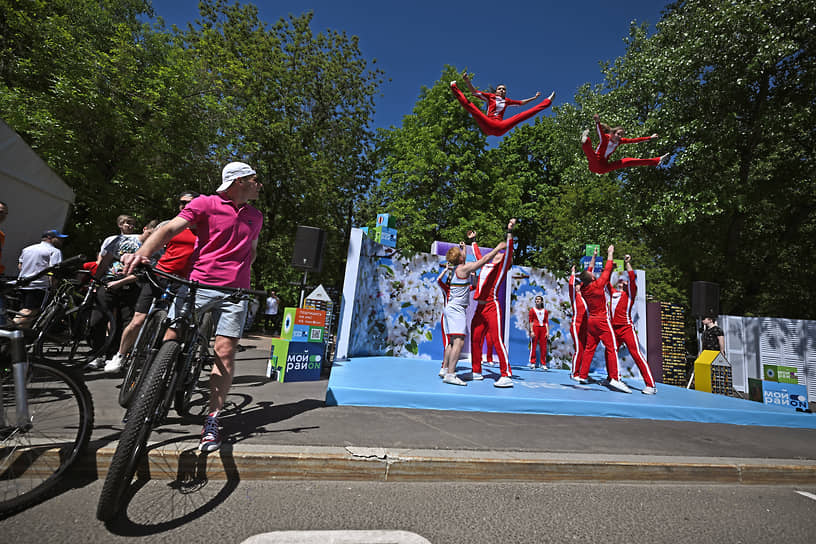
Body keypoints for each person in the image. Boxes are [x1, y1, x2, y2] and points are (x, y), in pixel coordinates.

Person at [122, 161, 263, 452]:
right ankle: (148, 393)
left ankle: (212, 420)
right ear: (239, 182)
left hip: (235, 291)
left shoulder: (255, 216)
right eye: (254, 179)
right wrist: (143, 253)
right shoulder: (206, 203)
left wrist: (245, 279)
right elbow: (171, 227)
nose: (259, 184)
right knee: (171, 338)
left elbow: (252, 250)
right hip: (199, 284)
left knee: (224, 352)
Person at [103, 191, 200, 373]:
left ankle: (164, 361)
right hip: (160, 274)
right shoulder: (168, 224)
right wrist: (142, 259)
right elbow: (151, 246)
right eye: (181, 203)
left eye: (189, 203)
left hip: (185, 280)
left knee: (176, 323)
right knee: (138, 320)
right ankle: (121, 355)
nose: (184, 206)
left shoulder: (204, 229)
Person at [87, 219, 159, 369]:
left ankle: (114, 354)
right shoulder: (122, 240)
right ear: (146, 229)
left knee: (124, 322)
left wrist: (122, 282)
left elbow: (145, 273)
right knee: (97, 319)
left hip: (133, 285)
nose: (155, 236)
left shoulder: (157, 248)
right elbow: (105, 261)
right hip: (108, 282)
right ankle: (96, 353)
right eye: (153, 233)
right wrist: (95, 281)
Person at [440, 236, 508, 386]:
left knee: (451, 342)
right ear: (460, 258)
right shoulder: (463, 269)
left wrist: (465, 247)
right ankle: (451, 374)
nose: (464, 254)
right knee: (459, 341)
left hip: (450, 308)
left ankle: (445, 369)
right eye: (462, 253)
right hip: (456, 309)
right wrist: (497, 249)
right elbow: (482, 261)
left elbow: (470, 275)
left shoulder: (458, 269)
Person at [575, 245, 631, 393]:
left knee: (589, 348)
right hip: (601, 320)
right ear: (592, 277)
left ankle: (582, 375)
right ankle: (615, 378)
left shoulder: (584, 287)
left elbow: (590, 270)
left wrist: (593, 256)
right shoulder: (598, 285)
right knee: (612, 347)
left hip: (591, 321)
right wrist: (610, 253)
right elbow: (607, 269)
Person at [469, 219, 517, 388]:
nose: (497, 253)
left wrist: (509, 231)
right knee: (475, 338)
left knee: (497, 340)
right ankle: (476, 371)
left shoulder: (501, 268)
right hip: (479, 307)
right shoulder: (486, 264)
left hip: (492, 306)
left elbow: (509, 251)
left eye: (500, 253)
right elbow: (478, 257)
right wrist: (474, 241)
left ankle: (506, 374)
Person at [450, 71, 554, 137]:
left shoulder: (507, 101)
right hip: (488, 124)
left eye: (504, 89)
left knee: (522, 116)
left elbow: (521, 103)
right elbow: (474, 92)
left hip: (500, 127)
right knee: (471, 107)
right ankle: (454, 87)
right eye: (500, 89)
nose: (502, 90)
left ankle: (547, 102)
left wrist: (534, 98)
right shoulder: (490, 96)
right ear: (496, 91)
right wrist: (467, 81)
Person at [610, 254, 656, 395]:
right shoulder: (613, 293)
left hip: (626, 328)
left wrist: (628, 264)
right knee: (610, 353)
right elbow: (605, 282)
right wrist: (611, 268)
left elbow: (632, 279)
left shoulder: (630, 295)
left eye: (624, 282)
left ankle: (651, 385)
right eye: (620, 281)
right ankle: (611, 377)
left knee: (637, 355)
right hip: (614, 330)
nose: (622, 283)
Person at [581, 113, 669, 174]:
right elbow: (600, 131)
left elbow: (635, 140)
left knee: (627, 161)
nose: (620, 137)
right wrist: (597, 122)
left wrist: (650, 137)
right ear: (613, 133)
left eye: (621, 135)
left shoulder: (620, 141)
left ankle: (656, 161)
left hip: (603, 167)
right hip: (595, 163)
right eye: (618, 134)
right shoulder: (605, 138)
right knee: (591, 154)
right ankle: (585, 139)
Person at [14, 229, 67, 327]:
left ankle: (19, 338)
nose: (61, 241)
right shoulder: (55, 251)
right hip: (39, 286)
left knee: (24, 311)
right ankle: (9, 330)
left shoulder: (27, 249)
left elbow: (20, 266)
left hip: (22, 285)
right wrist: (53, 287)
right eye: (58, 238)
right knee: (30, 312)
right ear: (49, 238)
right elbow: (54, 271)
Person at [528, 295, 549, 370]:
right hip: (535, 328)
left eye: (539, 299)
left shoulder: (545, 311)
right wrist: (532, 331)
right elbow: (530, 321)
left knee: (543, 347)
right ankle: (533, 362)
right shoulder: (532, 310)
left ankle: (543, 364)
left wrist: (547, 331)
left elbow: (546, 322)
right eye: (536, 299)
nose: (537, 301)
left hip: (543, 329)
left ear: (542, 301)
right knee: (533, 346)